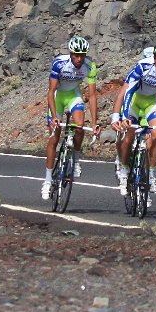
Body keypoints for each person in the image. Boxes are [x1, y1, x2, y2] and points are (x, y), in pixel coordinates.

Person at [111, 44, 156, 197]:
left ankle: (150, 174)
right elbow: (128, 92)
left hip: (151, 103)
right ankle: (123, 169)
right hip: (135, 101)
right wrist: (122, 117)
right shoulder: (142, 67)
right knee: (128, 138)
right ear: (154, 60)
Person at [41, 35, 99, 200]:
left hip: (74, 95)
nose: (79, 58)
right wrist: (53, 117)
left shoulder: (90, 66)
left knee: (79, 126)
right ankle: (47, 180)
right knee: (54, 137)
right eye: (76, 55)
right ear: (71, 53)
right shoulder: (59, 63)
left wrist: (95, 123)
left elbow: (93, 96)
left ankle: (75, 158)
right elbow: (51, 91)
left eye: (82, 55)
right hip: (59, 96)